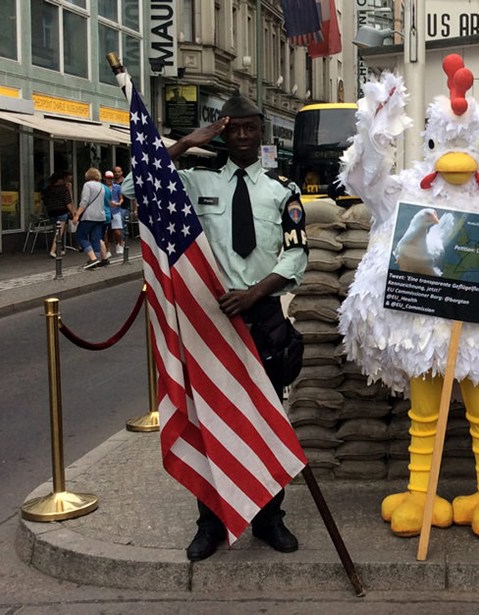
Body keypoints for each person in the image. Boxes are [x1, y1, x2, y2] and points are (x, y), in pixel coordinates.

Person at [121, 94, 308, 561]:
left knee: (266, 419)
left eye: (249, 128)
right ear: (222, 133)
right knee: (210, 419)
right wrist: (186, 142)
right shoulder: (193, 179)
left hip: (261, 316)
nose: (242, 136)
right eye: (233, 128)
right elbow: (131, 186)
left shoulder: (283, 189)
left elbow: (296, 253)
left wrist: (256, 293)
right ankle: (210, 523)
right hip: (208, 320)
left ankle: (269, 519)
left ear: (261, 131)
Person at [72, 168, 110, 269]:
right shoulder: (102, 187)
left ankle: (93, 259)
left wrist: (77, 215)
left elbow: (85, 201)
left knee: (80, 236)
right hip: (100, 216)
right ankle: (96, 259)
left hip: (89, 216)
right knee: (96, 238)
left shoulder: (87, 185)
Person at [43, 170, 75, 258]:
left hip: (51, 212)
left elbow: (45, 201)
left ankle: (58, 248)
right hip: (61, 212)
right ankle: (53, 251)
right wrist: (73, 213)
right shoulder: (63, 189)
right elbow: (68, 201)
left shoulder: (48, 189)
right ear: (59, 180)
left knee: (56, 231)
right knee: (59, 232)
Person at [104, 170, 126, 256]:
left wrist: (119, 203)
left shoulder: (117, 187)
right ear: (105, 178)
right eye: (108, 178)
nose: (109, 180)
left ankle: (119, 243)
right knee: (106, 232)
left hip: (116, 211)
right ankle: (107, 249)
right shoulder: (103, 187)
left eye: (111, 178)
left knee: (117, 231)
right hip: (106, 211)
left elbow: (121, 198)